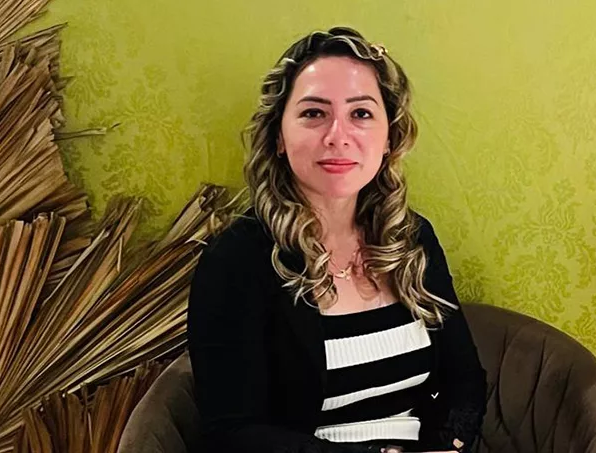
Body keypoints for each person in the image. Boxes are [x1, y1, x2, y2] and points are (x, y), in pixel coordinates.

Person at [187, 26, 486, 453]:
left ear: (389, 138)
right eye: (314, 113)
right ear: (278, 137)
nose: (337, 136)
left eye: (361, 113)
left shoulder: (412, 238)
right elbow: (233, 432)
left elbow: (465, 380)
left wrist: (443, 448)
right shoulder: (237, 259)